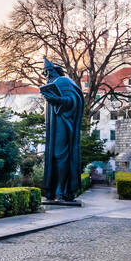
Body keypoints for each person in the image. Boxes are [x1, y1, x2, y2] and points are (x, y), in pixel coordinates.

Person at [39, 59, 84, 202]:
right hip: (53, 127)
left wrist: (58, 100)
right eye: (44, 73)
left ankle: (61, 191)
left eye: (48, 72)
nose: (46, 75)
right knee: (54, 157)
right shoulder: (51, 84)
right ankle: (54, 191)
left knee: (61, 155)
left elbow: (74, 99)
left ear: (54, 71)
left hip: (64, 125)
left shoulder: (64, 81)